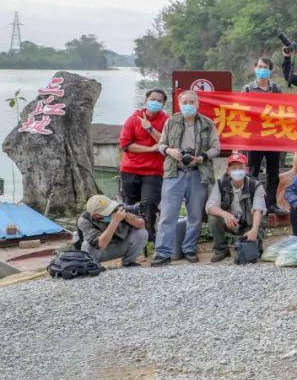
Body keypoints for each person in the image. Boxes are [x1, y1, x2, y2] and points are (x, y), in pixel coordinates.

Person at [151, 90, 221, 266]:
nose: (188, 105)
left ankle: (189, 248)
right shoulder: (171, 121)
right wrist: (170, 151)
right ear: (179, 104)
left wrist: (201, 157)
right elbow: (161, 144)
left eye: (192, 102)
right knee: (168, 215)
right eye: (185, 102)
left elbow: (216, 148)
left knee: (195, 216)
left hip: (198, 173)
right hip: (174, 172)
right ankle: (162, 253)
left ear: (197, 104)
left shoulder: (207, 123)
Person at [118, 88, 167, 245]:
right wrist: (150, 149)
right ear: (146, 100)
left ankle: (149, 237)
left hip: (153, 171)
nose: (155, 103)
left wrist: (149, 128)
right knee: (129, 205)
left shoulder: (166, 121)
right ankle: (129, 238)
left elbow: (167, 142)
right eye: (153, 99)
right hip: (130, 170)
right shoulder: (133, 119)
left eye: (159, 101)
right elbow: (125, 145)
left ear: (163, 104)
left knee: (149, 204)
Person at [242, 57, 286, 215]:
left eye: (265, 67)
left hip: (273, 136)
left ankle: (271, 204)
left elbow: (283, 110)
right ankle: (253, 204)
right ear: (255, 68)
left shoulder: (276, 88)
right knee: (253, 171)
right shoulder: (247, 89)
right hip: (254, 138)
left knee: (273, 172)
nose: (262, 69)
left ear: (270, 70)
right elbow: (241, 111)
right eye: (259, 66)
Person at [205, 153, 266, 262]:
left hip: (250, 224)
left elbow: (259, 209)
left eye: (240, 168)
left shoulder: (255, 185)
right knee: (213, 218)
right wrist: (225, 214)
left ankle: (252, 241)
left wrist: (254, 230)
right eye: (234, 168)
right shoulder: (221, 184)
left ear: (246, 170)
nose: (237, 171)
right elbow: (210, 206)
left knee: (253, 254)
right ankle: (221, 249)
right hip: (230, 222)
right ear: (228, 171)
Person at [77, 195, 148, 267]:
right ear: (95, 216)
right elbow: (100, 245)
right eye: (107, 210)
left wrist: (131, 220)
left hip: (121, 245)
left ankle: (128, 263)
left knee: (142, 233)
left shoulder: (119, 208)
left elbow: (142, 225)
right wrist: (115, 221)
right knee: (86, 245)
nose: (111, 211)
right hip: (101, 252)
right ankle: (94, 267)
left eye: (109, 207)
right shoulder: (84, 220)